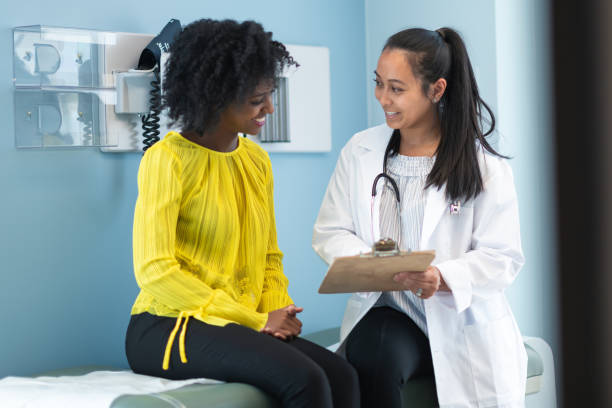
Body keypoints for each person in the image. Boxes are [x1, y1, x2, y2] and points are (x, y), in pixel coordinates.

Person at [125, 18, 360, 408]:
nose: (269, 107)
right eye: (256, 100)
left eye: (270, 94)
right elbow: (155, 271)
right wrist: (255, 321)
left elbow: (268, 257)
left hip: (237, 323)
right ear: (215, 97)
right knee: (306, 380)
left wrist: (277, 312)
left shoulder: (256, 161)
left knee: (343, 376)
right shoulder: (166, 160)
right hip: (166, 325)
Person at [313, 27, 526, 408]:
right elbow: (331, 229)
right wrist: (369, 263)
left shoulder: (484, 167)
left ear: (436, 90)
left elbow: (502, 257)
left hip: (460, 323)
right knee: (374, 350)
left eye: (397, 88)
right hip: (392, 316)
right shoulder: (360, 150)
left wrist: (442, 277)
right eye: (378, 84)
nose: (383, 99)